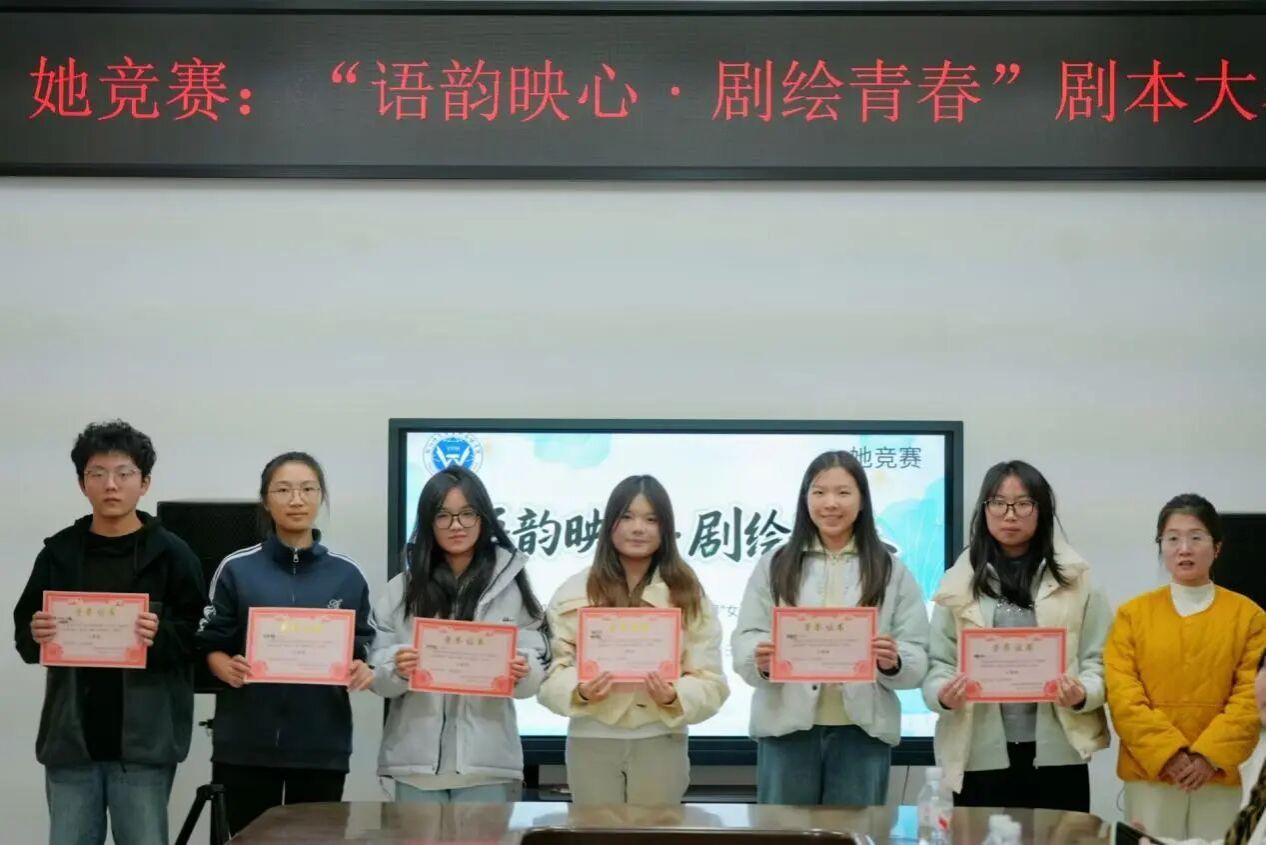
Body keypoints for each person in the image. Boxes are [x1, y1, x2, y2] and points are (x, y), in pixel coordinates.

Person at [14, 420, 206, 845]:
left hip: (144, 746)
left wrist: (161, 635)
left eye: (124, 473)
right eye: (97, 473)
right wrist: (35, 632)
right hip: (71, 741)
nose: (111, 485)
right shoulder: (59, 552)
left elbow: (199, 634)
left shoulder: (173, 555)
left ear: (145, 482)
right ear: (82, 483)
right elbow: (25, 636)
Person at [732, 449, 930, 805]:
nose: (830, 503)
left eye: (843, 492)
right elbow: (747, 636)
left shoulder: (890, 569)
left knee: (856, 830)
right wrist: (760, 660)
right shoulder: (775, 563)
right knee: (783, 830)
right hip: (786, 729)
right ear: (805, 498)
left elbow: (917, 649)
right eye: (819, 492)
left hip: (862, 731)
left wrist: (894, 661)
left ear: (862, 501)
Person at [196, 451, 375, 835]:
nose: (297, 500)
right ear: (265, 499)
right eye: (283, 490)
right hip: (245, 745)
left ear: (321, 496)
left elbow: (365, 643)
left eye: (308, 489)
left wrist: (363, 666)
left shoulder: (347, 575)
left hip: (321, 746)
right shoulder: (237, 568)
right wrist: (220, 664)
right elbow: (209, 641)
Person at [923, 459, 1110, 811]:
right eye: (998, 503)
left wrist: (1083, 692)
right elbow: (939, 662)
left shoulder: (1078, 580)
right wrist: (944, 694)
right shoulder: (957, 582)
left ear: (1042, 510)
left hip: (1058, 752)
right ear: (984, 510)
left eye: (1023, 504)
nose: (1010, 515)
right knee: (980, 836)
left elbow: (1099, 659)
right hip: (979, 751)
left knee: (1060, 837)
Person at [538, 475, 729, 804]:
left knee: (657, 829)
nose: (638, 528)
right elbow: (549, 670)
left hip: (661, 734)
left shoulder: (687, 593)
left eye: (651, 519)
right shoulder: (574, 591)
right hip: (591, 736)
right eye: (627, 517)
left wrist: (674, 696)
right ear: (609, 524)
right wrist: (579, 690)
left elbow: (710, 678)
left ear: (666, 528)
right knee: (593, 828)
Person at [370, 466, 548, 803]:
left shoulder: (513, 590)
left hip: (487, 765)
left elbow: (535, 671)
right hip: (416, 766)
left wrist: (522, 670)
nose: (456, 525)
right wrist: (397, 667)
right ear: (428, 522)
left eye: (467, 513)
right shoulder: (401, 590)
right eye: (443, 515)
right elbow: (377, 674)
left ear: (483, 519)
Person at [1107, 494, 1266, 841]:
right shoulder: (1132, 615)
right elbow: (1123, 696)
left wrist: (1209, 756)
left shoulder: (1250, 617)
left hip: (1220, 774)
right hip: (1152, 773)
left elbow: (1250, 697)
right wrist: (1168, 754)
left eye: (1196, 537)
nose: (1184, 549)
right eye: (1172, 538)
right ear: (1161, 547)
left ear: (1217, 547)